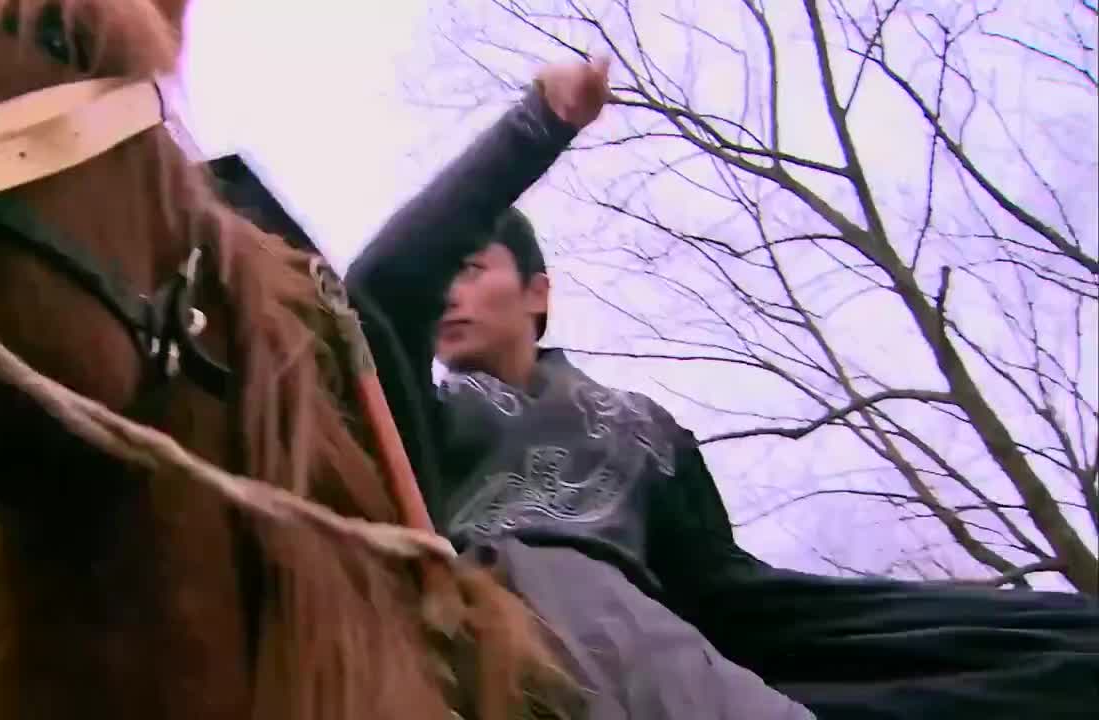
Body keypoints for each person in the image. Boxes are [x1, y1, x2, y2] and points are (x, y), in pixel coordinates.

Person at [345, 58, 1099, 720]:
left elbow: (726, 592)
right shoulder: (426, 415)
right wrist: (536, 125)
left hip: (657, 652)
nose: (446, 295)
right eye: (441, 278)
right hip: (494, 622)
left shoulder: (642, 427)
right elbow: (382, 286)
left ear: (537, 292)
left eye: (471, 271)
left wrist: (1009, 635)